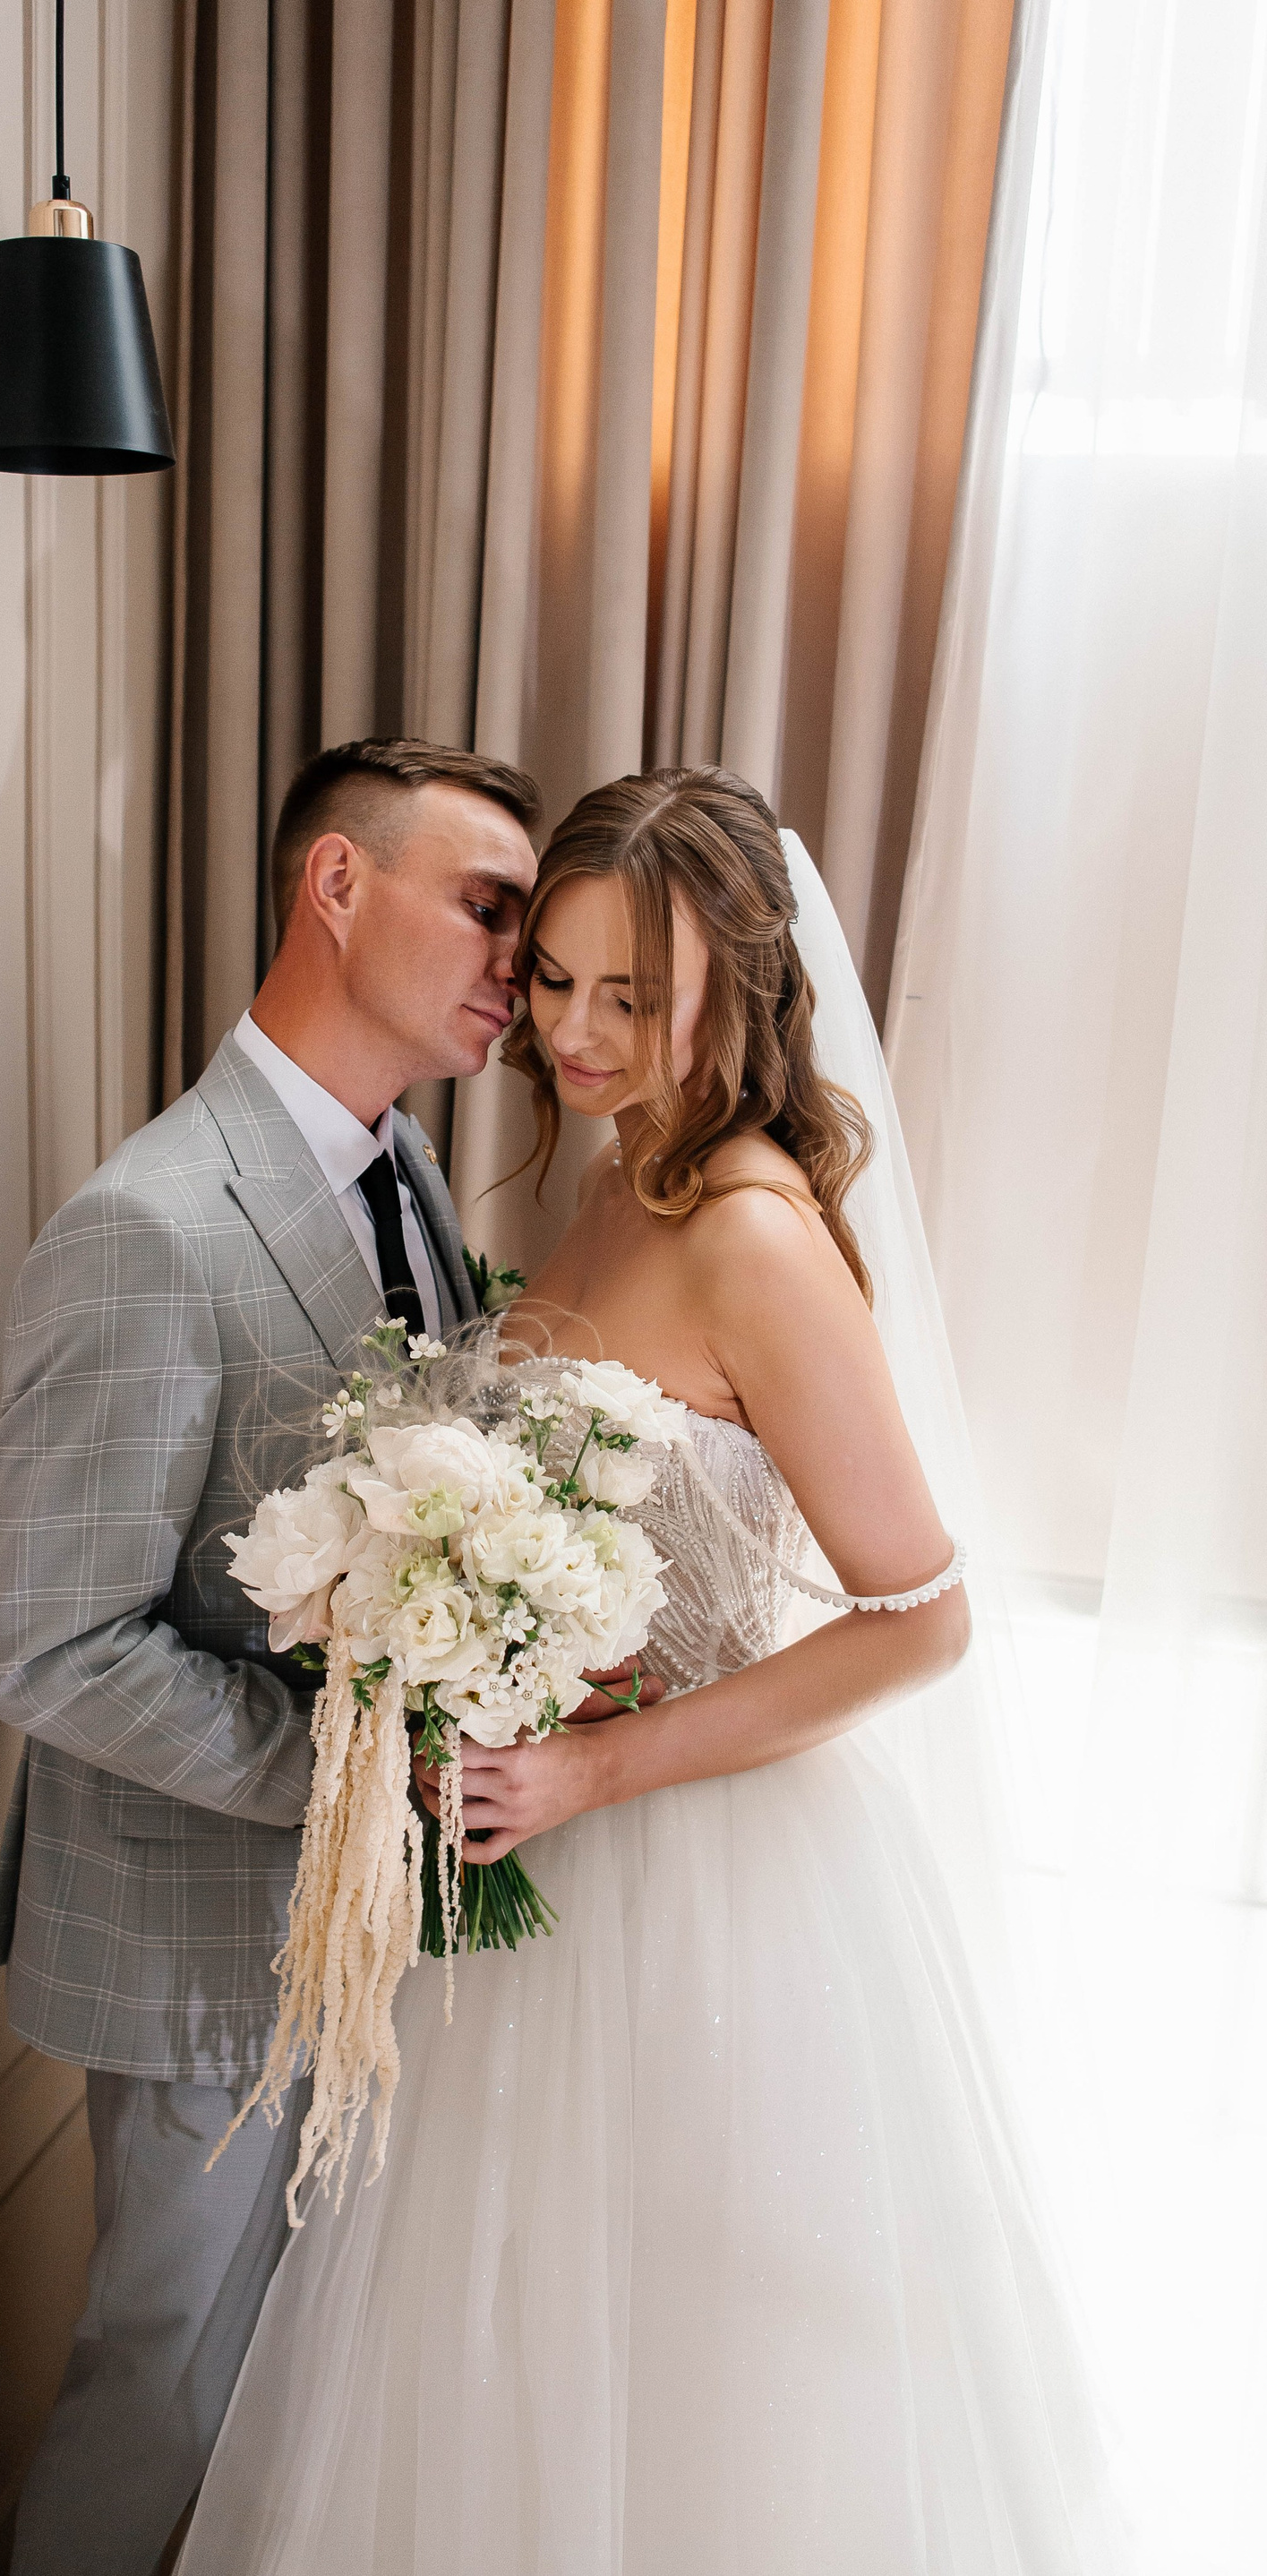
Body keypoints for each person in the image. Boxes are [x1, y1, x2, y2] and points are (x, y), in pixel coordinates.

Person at [176, 768, 1131, 2574]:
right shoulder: (624, 1171)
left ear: (737, 986)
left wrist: (598, 1767)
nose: (575, 1033)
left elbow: (926, 1615)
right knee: (510, 2348)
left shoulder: (753, 1232)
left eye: (635, 995)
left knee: (702, 2377)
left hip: (700, 1873)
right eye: (555, 978)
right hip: (545, 1846)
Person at [0, 737, 544, 2576]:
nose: (519, 964)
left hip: (356, 1936)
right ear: (337, 885)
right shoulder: (146, 1225)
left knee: (295, 2390)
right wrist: (362, 1778)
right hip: (198, 1933)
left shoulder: (408, 1172)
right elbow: (53, 1648)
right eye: (488, 906)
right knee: (164, 2393)